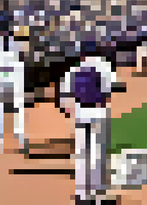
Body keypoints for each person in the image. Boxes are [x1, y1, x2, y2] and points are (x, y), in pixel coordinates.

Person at [59, 42, 117, 205]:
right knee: (98, 154)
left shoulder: (73, 70)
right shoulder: (103, 66)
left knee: (82, 154)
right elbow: (110, 90)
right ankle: (99, 196)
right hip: (98, 112)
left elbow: (64, 98)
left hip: (79, 114)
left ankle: (82, 195)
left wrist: (72, 111)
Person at [0, 11, 28, 154]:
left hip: (6, 70)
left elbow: (23, 54)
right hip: (7, 70)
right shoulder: (9, 41)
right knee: (11, 107)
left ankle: (8, 139)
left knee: (6, 107)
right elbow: (23, 55)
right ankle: (10, 139)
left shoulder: (0, 41)